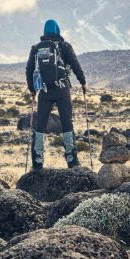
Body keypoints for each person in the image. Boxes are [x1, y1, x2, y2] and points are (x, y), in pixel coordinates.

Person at [25, 18, 87, 169]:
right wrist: (83, 82)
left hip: (44, 92)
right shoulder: (65, 46)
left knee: (40, 126)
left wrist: (32, 89)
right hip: (62, 90)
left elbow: (29, 70)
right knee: (66, 124)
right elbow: (75, 64)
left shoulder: (36, 48)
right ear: (58, 30)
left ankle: (37, 162)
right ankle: (72, 160)